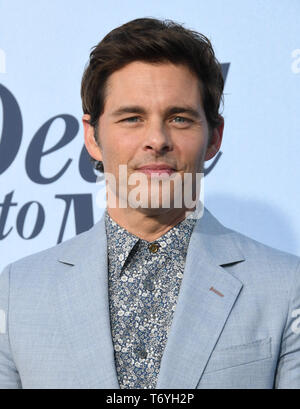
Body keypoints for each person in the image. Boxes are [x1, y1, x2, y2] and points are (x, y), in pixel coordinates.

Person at [0, 17, 299, 390]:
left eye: (179, 118)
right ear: (93, 138)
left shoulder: (287, 287)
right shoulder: (17, 291)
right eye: (132, 118)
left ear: (213, 137)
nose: (156, 139)